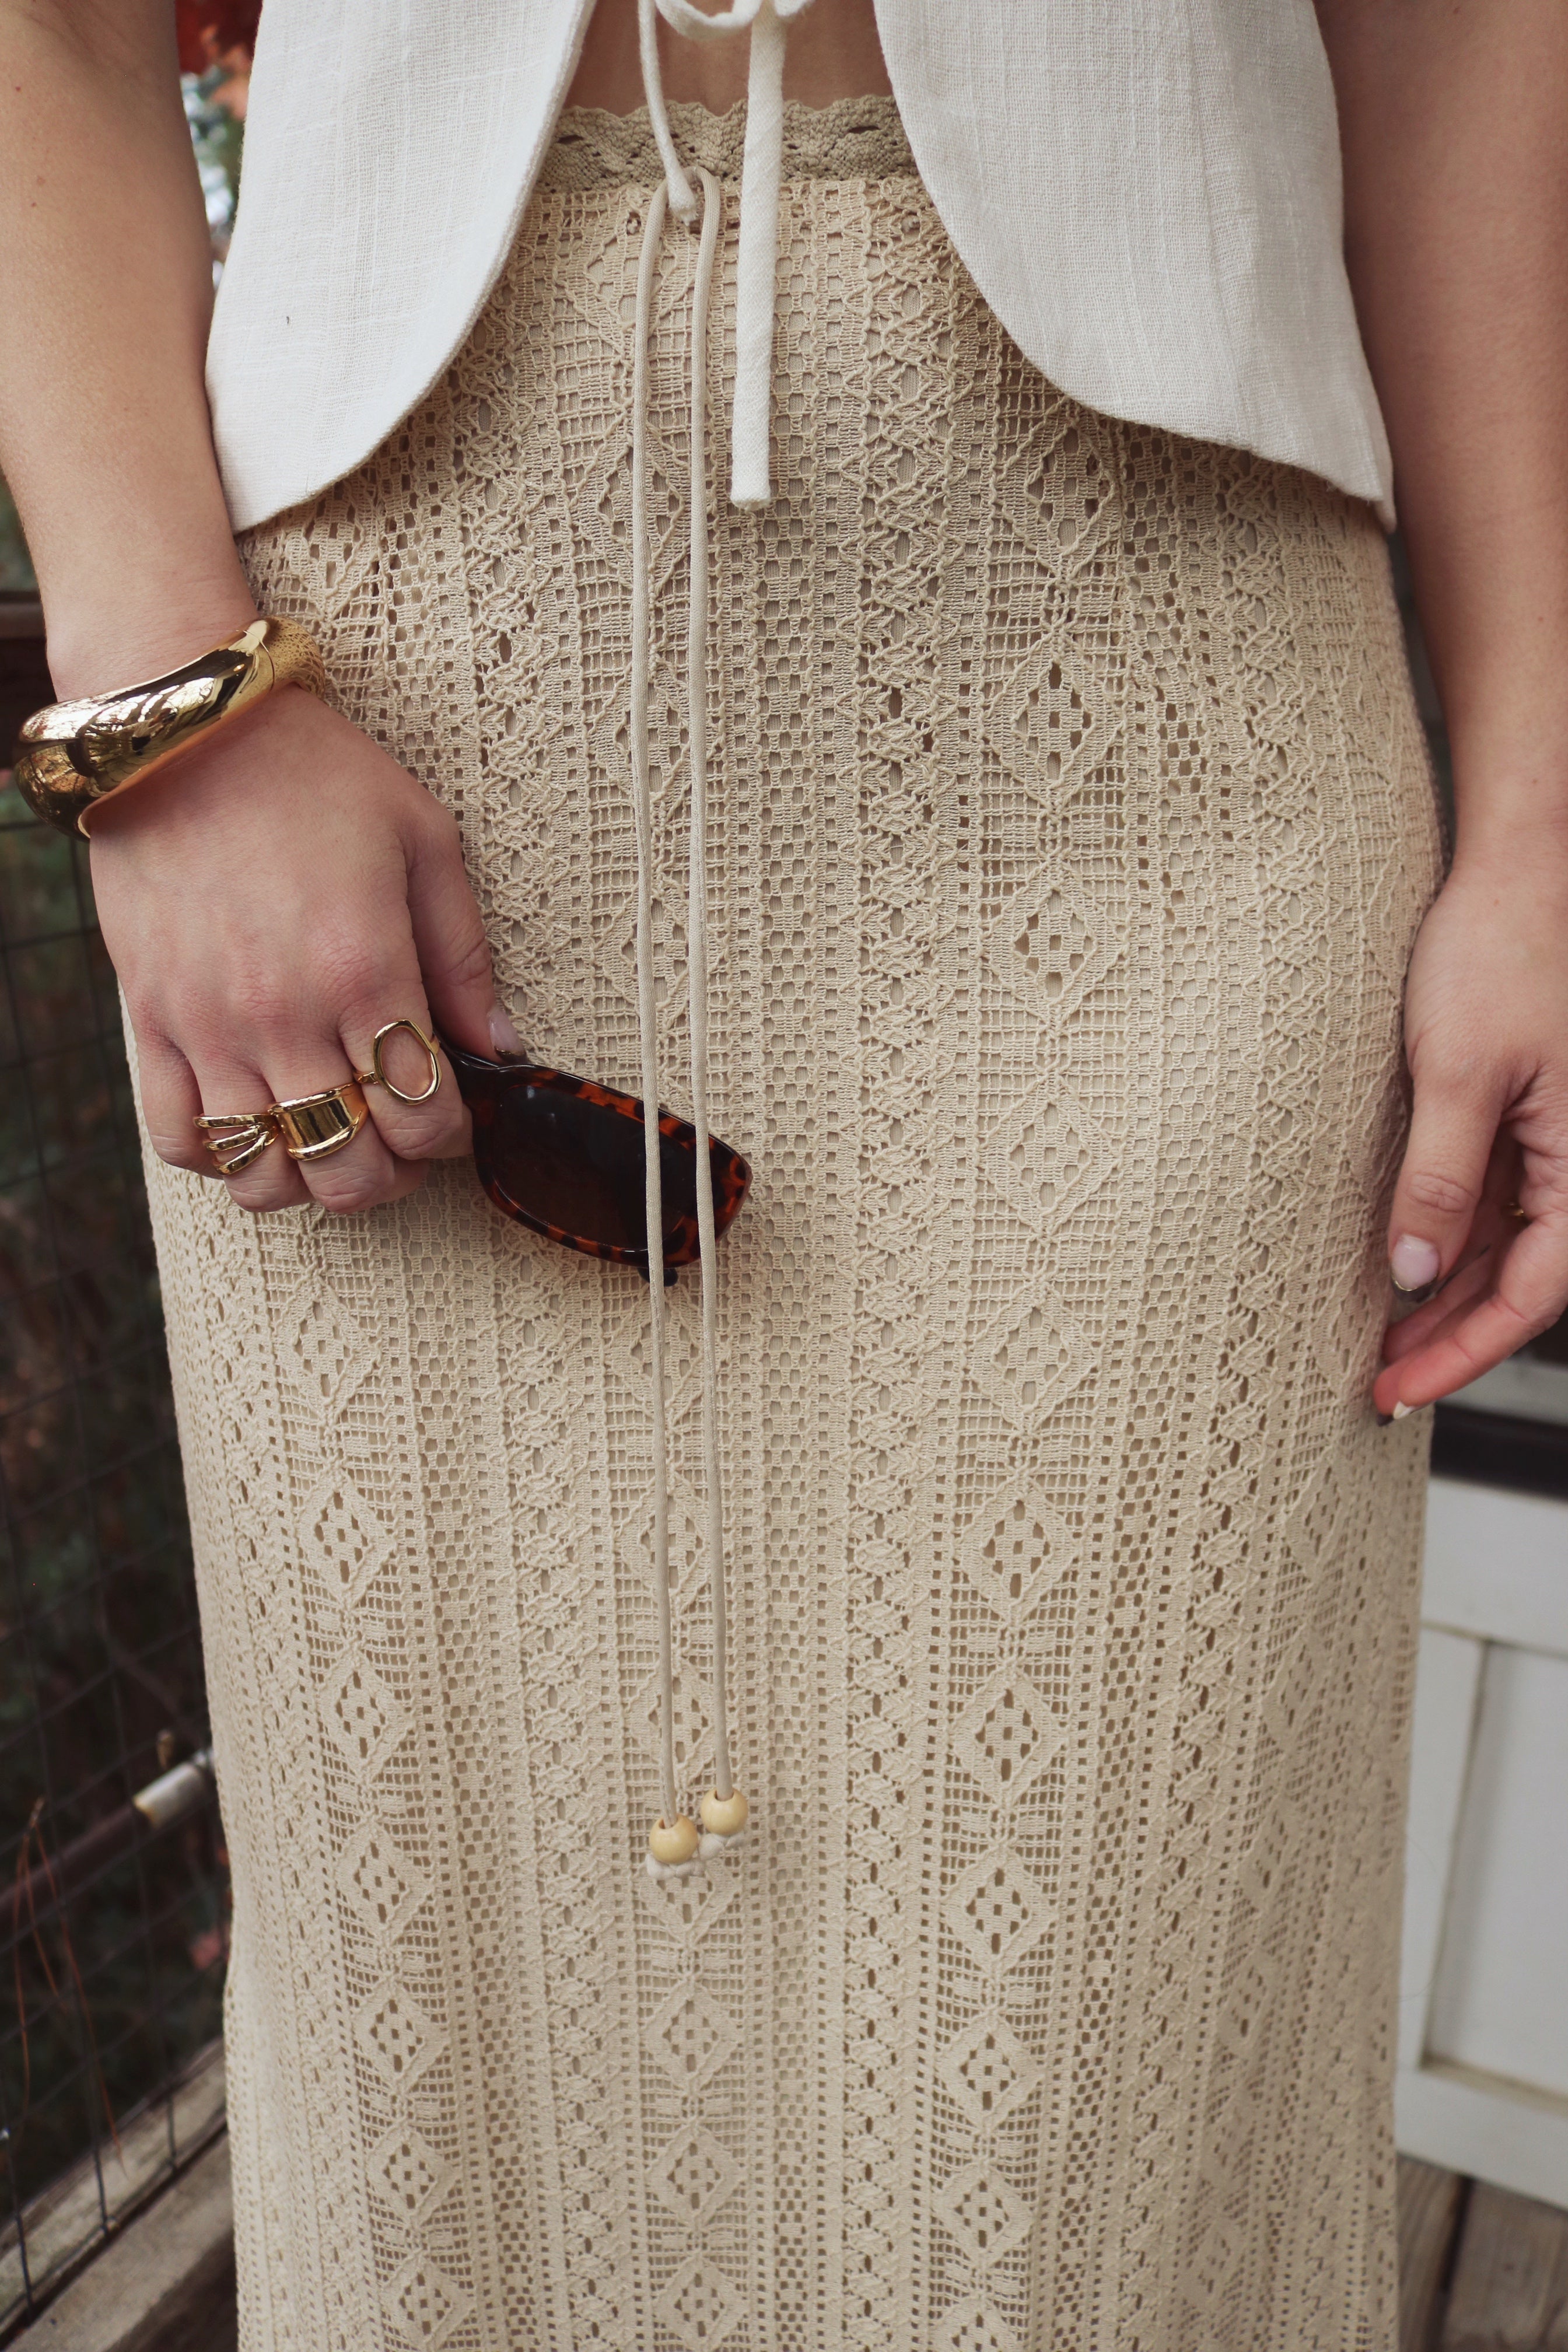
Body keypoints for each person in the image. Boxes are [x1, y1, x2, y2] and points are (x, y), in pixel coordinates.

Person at [3, 1, 1566, 2344]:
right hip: (373, 778)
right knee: (453, 2091)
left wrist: (1545, 813)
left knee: (1095, 2114)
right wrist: (161, 719)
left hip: (1166, 723)